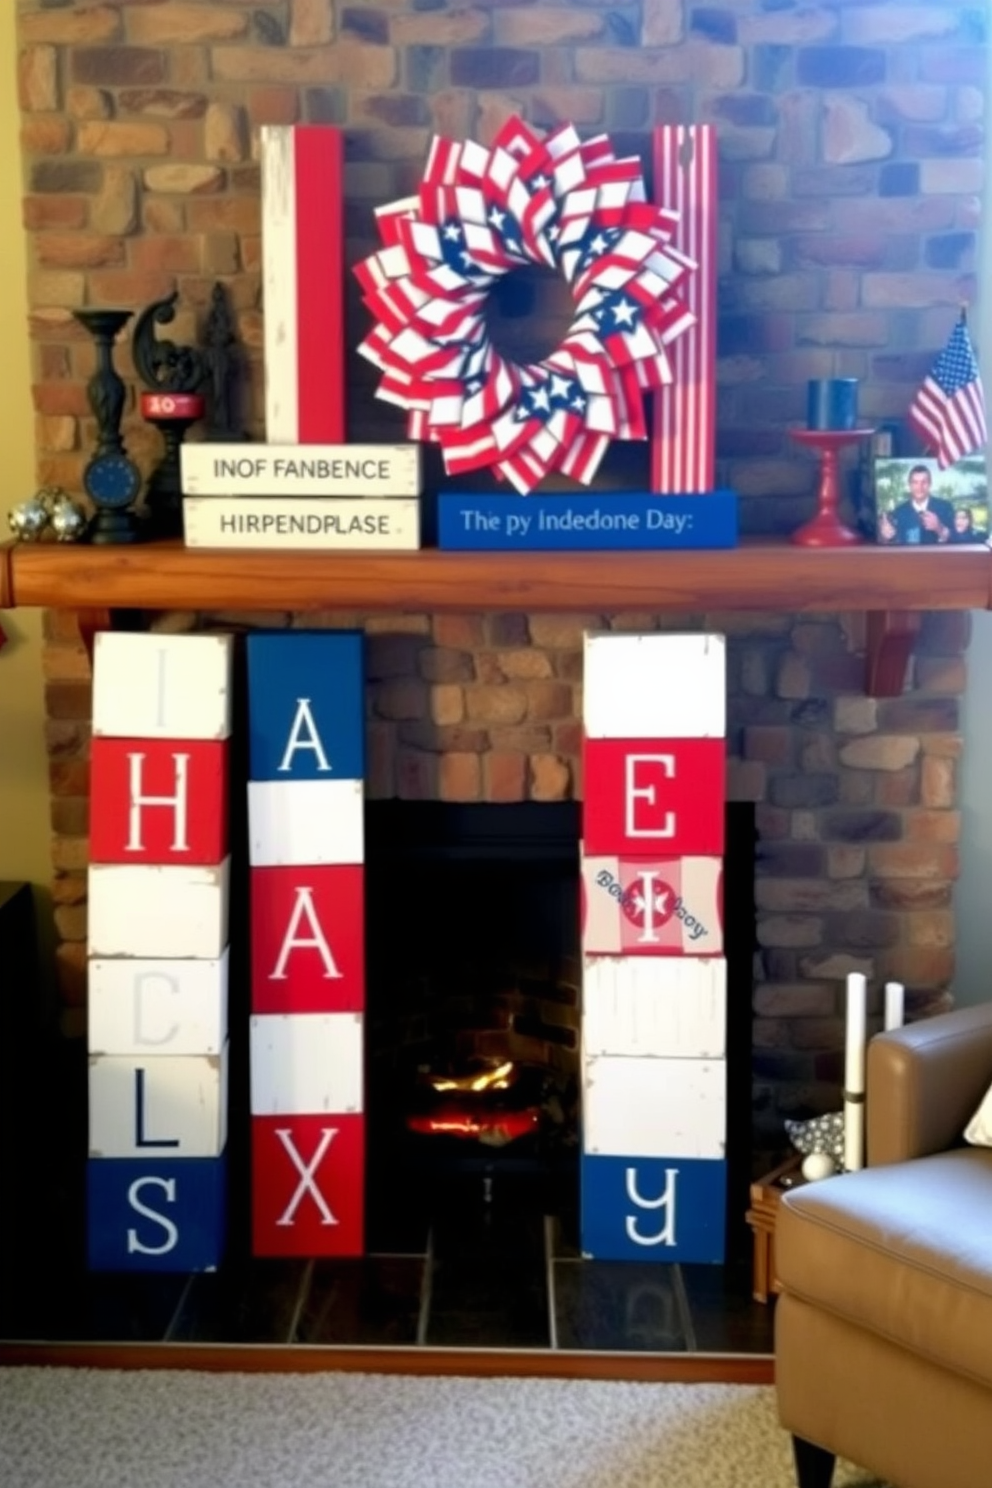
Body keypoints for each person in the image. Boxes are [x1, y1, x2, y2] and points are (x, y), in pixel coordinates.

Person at [878, 464, 955, 545]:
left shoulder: (945, 507)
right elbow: (893, 545)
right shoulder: (898, 512)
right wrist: (885, 537)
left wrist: (939, 528)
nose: (920, 487)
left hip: (939, 557)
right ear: (910, 485)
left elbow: (957, 541)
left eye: (924, 482)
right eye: (915, 482)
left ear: (930, 484)